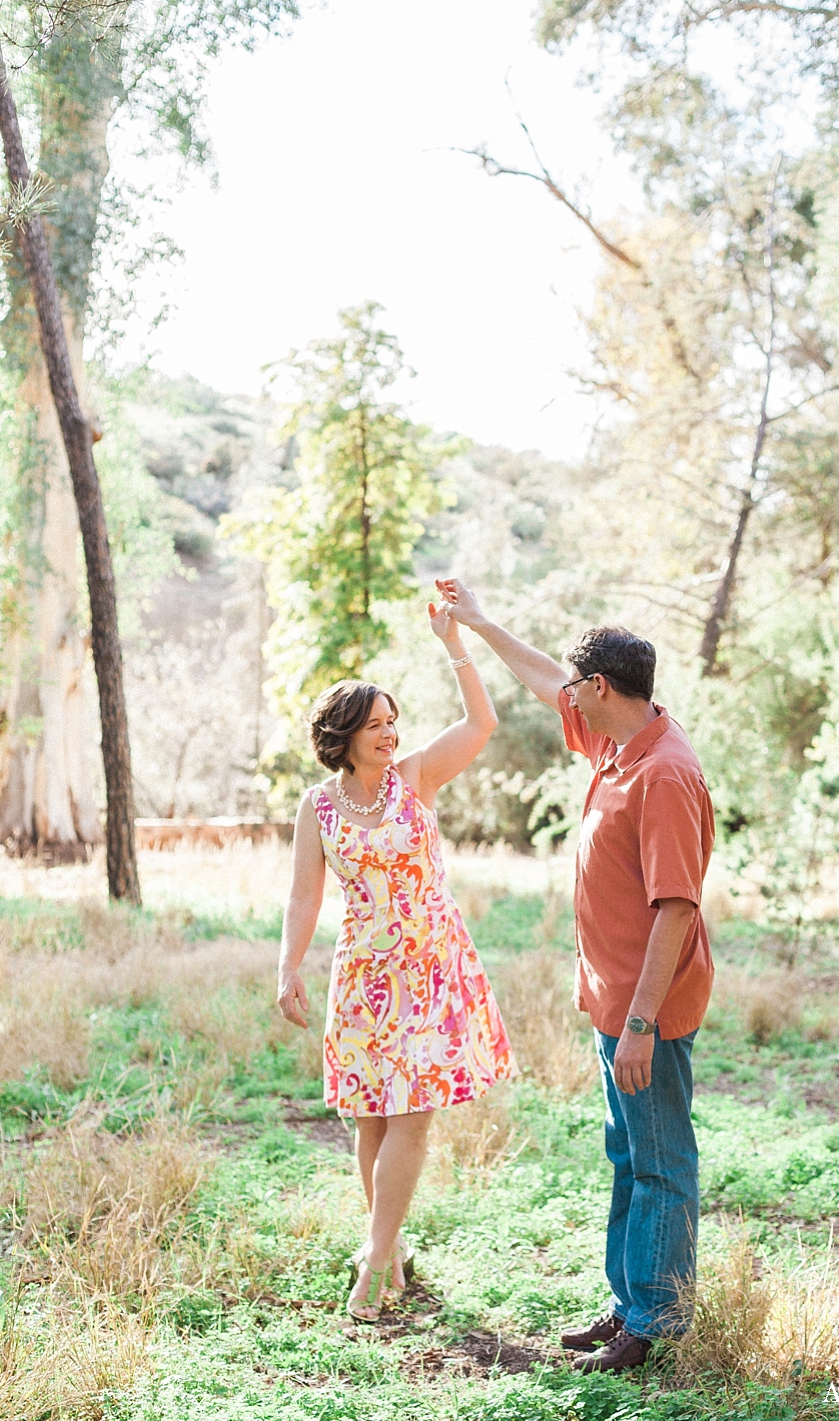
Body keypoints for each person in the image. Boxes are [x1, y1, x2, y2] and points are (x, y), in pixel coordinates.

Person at [437, 577, 714, 1374]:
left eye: (576, 686)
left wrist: (638, 1023)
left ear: (600, 686)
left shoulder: (662, 771)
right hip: (614, 1003)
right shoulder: (618, 740)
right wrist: (482, 623)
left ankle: (656, 1326)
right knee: (628, 1154)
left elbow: (675, 908)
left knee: (661, 1161)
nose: (566, 698)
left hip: (645, 1012)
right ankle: (631, 1302)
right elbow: (538, 679)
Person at [276, 597, 514, 1322]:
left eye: (392, 721)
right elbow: (302, 896)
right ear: (344, 735)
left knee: (412, 1113)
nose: (389, 733)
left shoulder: (416, 777)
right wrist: (287, 967)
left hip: (431, 968)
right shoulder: (318, 807)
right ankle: (391, 1243)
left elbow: (482, 724)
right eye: (375, 724)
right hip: (362, 977)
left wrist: (454, 643)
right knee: (370, 1120)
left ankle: (374, 1264)